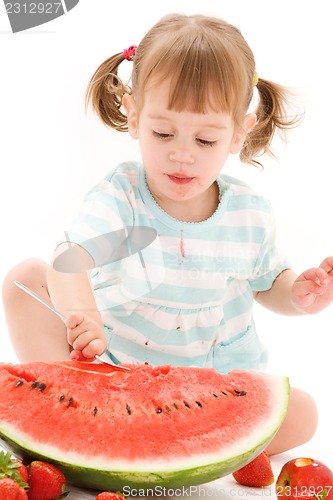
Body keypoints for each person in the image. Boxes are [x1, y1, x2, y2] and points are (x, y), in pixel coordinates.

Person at [2, 13, 333, 455]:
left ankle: (174, 445)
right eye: (163, 132)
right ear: (133, 115)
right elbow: (70, 260)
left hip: (212, 388)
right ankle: (72, 418)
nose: (182, 155)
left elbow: (269, 281)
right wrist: (86, 319)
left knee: (304, 414)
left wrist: (298, 295)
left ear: (239, 133)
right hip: (113, 374)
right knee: (26, 276)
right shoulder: (123, 202)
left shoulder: (248, 215)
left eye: (206, 141)